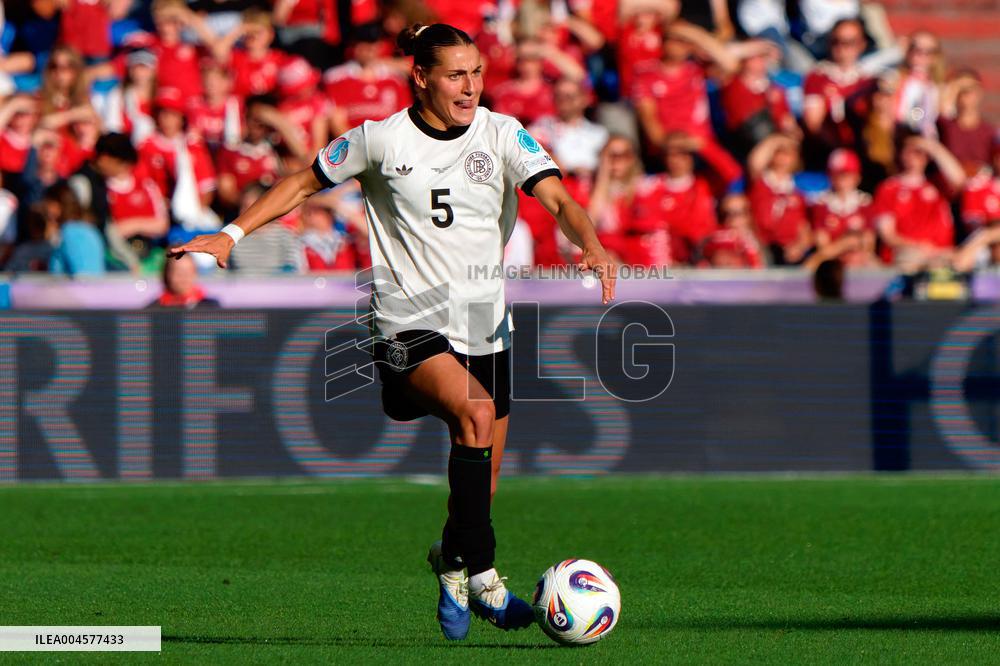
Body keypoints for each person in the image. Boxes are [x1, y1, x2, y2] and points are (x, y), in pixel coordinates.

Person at [169, 22, 616, 641]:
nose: (470, 87)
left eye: (478, 72)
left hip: (487, 324)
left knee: (480, 485)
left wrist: (590, 243)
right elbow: (302, 182)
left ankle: (456, 565)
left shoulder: (502, 132)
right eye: (456, 75)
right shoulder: (380, 140)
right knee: (477, 416)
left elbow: (561, 200)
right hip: (406, 320)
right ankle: (484, 573)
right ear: (422, 76)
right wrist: (231, 234)